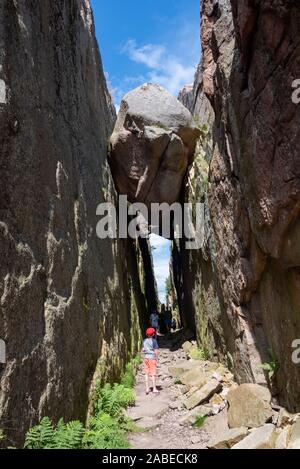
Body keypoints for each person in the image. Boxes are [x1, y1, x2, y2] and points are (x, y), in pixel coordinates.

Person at [142, 327, 159, 395]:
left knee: (146, 373)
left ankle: (147, 388)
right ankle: (154, 388)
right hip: (152, 358)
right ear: (153, 334)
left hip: (146, 358)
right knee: (153, 373)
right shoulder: (154, 341)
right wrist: (156, 357)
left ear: (147, 334)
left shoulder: (144, 341)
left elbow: (143, 349)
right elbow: (156, 350)